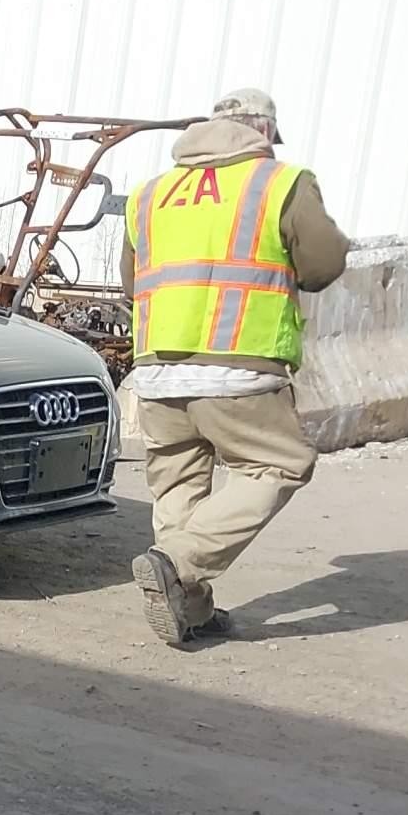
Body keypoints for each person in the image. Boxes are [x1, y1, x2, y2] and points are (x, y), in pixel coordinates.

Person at [122, 88, 348, 646]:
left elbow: (133, 283)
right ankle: (179, 561)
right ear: (265, 131)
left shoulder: (149, 192)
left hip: (157, 367)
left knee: (177, 480)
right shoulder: (279, 183)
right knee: (280, 464)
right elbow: (321, 266)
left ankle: (189, 606)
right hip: (238, 367)